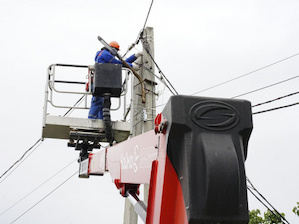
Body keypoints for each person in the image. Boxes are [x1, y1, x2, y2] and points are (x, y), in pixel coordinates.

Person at [88, 41, 142, 119]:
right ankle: (91, 120)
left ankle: (100, 121)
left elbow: (121, 63)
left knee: (102, 103)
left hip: (103, 82)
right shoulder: (105, 54)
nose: (116, 52)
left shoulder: (105, 54)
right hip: (99, 81)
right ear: (112, 49)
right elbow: (118, 63)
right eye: (116, 50)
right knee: (97, 102)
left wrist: (134, 56)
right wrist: (132, 66)